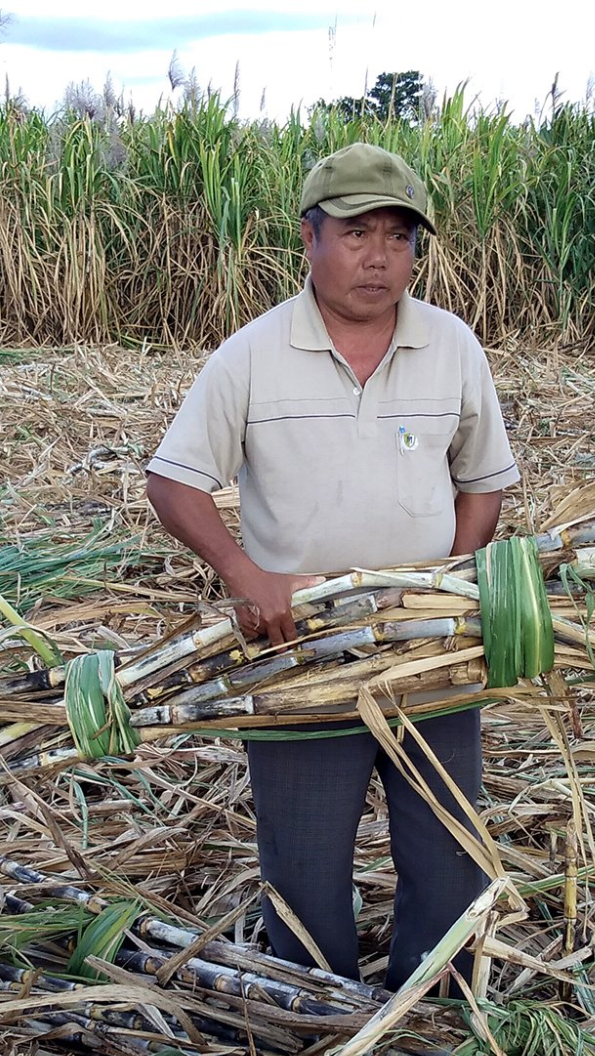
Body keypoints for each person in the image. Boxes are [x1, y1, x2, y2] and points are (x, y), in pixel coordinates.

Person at [145, 142, 520, 990]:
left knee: (451, 852)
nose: (380, 256)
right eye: (357, 234)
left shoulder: (454, 348)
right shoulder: (252, 355)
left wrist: (452, 581)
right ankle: (315, 1025)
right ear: (309, 239)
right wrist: (246, 574)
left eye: (399, 236)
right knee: (306, 864)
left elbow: (485, 481)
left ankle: (431, 1016)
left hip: (430, 649)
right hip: (301, 650)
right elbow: (173, 480)